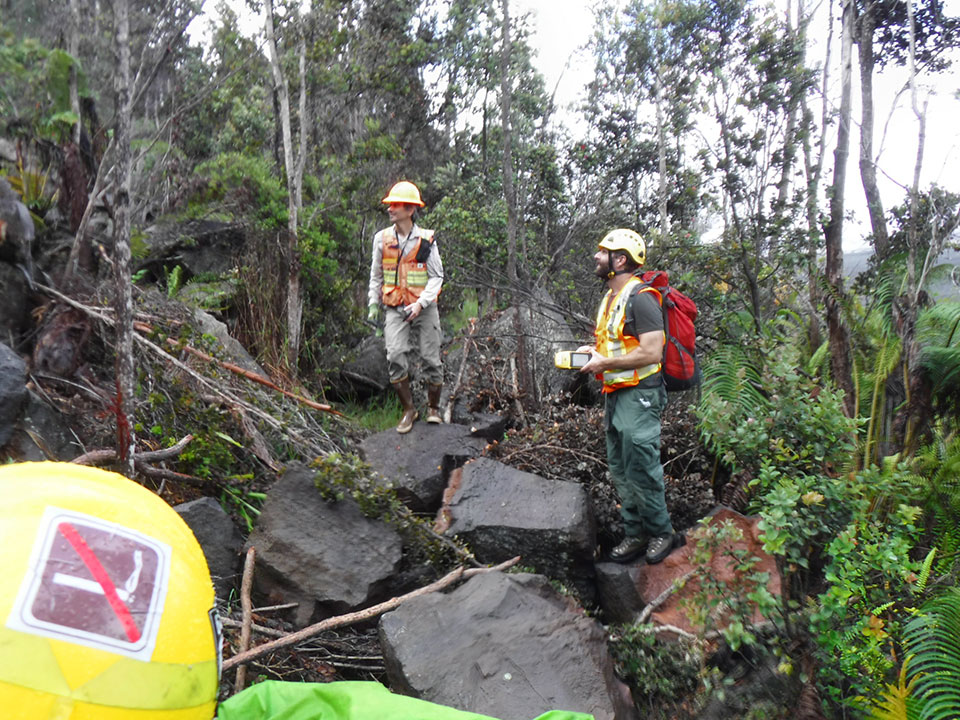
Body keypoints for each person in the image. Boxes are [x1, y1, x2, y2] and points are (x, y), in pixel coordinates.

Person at [577, 228, 682, 565]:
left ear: (619, 260)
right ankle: (636, 534)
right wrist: (593, 353)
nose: (596, 256)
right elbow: (617, 343)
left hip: (641, 396)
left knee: (642, 467)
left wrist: (605, 362)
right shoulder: (611, 298)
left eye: (603, 251)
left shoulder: (642, 298)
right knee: (620, 467)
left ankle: (661, 533)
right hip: (617, 395)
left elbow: (652, 353)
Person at [368, 181, 445, 434]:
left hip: (424, 306)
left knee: (431, 358)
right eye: (390, 204)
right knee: (395, 355)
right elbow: (376, 276)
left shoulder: (426, 241)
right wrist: (372, 304)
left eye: (396, 204)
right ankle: (409, 409)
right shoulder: (382, 239)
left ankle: (433, 408)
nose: (390, 209)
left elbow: (437, 276)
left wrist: (421, 304)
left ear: (410, 210)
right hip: (395, 307)